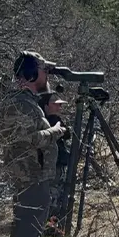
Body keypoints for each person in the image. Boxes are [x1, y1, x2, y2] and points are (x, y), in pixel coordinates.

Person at [0, 51, 67, 237]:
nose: (47, 76)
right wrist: (55, 131)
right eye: (43, 70)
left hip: (31, 173)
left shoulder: (26, 101)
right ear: (31, 73)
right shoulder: (20, 103)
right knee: (30, 224)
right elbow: (28, 139)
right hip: (30, 174)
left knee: (27, 223)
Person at [38, 89, 71, 219]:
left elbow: (67, 134)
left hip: (56, 164)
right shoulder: (46, 122)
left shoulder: (54, 119)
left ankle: (54, 220)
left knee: (57, 192)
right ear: (45, 106)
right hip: (50, 166)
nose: (59, 107)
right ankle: (51, 222)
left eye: (60, 104)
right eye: (55, 104)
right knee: (53, 194)